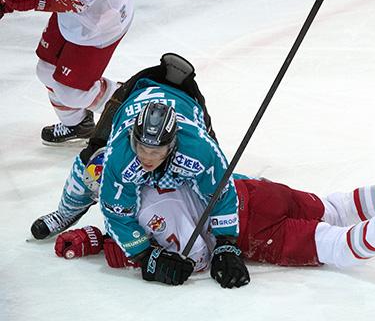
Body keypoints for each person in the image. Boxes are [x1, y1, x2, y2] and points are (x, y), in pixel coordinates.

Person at [30, 53, 249, 288]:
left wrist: (227, 243)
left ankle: (243, 184)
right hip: (133, 94)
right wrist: (145, 256)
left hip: (187, 99)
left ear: (172, 145)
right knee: (93, 166)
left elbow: (221, 191)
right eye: (141, 148)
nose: (146, 158)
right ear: (133, 138)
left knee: (211, 178)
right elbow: (116, 212)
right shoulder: (121, 153)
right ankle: (65, 212)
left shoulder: (198, 148)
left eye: (155, 152)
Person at [53, 172, 375, 288]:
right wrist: (101, 239)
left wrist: (135, 257)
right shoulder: (150, 169)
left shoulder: (146, 216)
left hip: (253, 231)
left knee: (336, 247)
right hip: (255, 190)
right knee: (335, 207)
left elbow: (195, 259)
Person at [0, 0, 133, 145]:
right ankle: (77, 125)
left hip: (102, 20)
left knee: (74, 93)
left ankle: (135, 108)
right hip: (72, 16)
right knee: (46, 70)